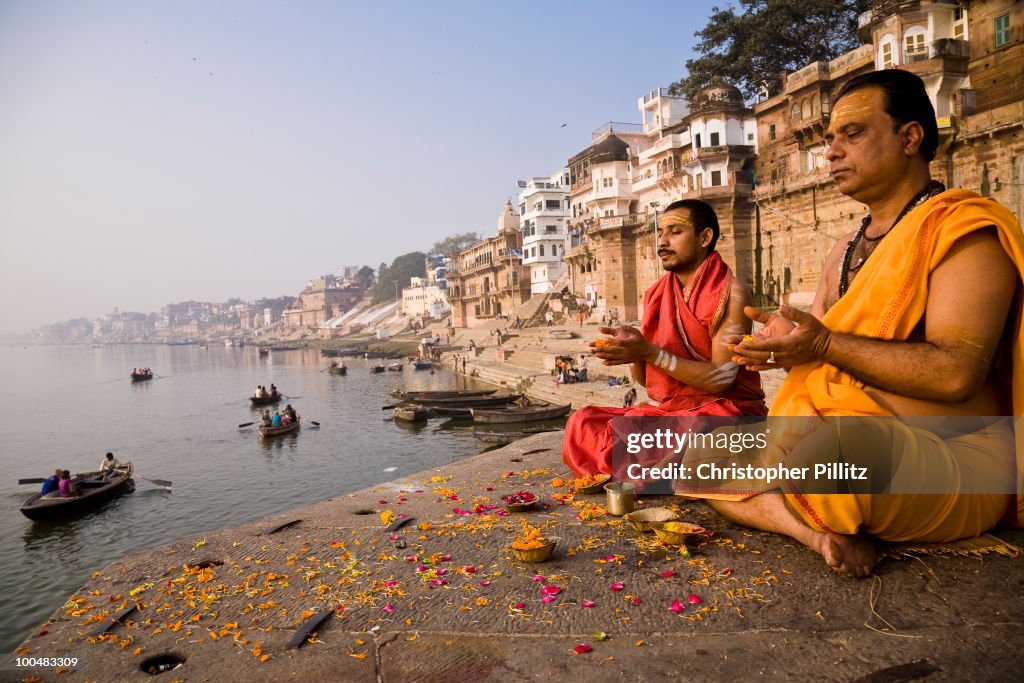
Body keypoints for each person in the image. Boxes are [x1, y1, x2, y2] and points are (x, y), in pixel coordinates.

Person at [722, 69, 1024, 577]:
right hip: (841, 427)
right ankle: (813, 532)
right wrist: (782, 342)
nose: (832, 151)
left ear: (910, 138)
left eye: (854, 133)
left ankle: (790, 503)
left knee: (830, 458)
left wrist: (821, 345)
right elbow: (817, 340)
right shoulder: (844, 248)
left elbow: (955, 373)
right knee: (698, 449)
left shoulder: (964, 231)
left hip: (951, 453)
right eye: (830, 139)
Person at [562, 198, 768, 480]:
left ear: (705, 237)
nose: (662, 242)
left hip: (726, 412)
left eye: (675, 231)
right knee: (582, 422)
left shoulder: (731, 292)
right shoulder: (656, 294)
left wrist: (648, 352)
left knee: (695, 429)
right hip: (677, 412)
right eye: (660, 233)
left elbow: (721, 379)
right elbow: (648, 382)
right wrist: (632, 352)